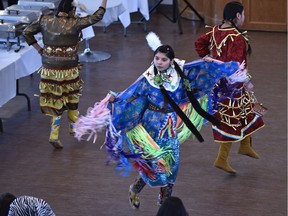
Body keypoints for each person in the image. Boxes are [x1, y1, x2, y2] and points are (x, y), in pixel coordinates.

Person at [74, 32, 243, 208]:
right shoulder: (148, 77)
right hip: (150, 129)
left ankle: (163, 203)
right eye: (157, 59)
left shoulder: (180, 72)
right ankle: (138, 190)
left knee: (171, 169)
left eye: (163, 59)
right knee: (157, 168)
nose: (159, 62)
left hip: (169, 126)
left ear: (171, 61)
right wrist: (114, 99)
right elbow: (131, 93)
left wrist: (210, 64)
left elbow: (197, 72)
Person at [22, 0, 108, 149]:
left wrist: (39, 49)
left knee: (56, 99)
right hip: (69, 67)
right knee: (72, 94)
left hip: (49, 67)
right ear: (71, 11)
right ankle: (73, 127)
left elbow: (26, 32)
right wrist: (104, 1)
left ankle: (54, 134)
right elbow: (97, 16)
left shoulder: (44, 20)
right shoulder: (75, 23)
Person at [194, 1, 265, 175]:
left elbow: (199, 43)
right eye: (243, 15)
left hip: (220, 84)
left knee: (249, 110)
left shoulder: (214, 31)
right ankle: (221, 159)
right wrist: (246, 81)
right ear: (238, 16)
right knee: (230, 119)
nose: (244, 18)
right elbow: (234, 65)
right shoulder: (237, 38)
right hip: (233, 86)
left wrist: (209, 61)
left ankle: (245, 145)